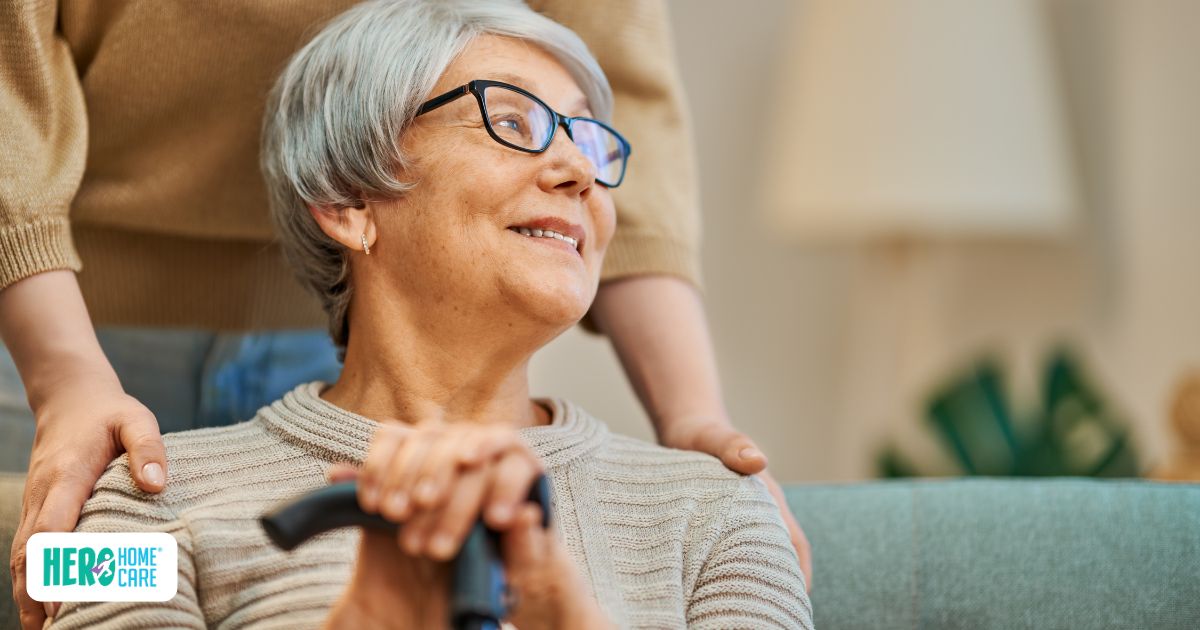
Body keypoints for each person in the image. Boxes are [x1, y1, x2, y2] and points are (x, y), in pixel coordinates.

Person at [1, 0, 811, 626]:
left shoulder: (719, 511)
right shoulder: (127, 510)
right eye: (514, 121)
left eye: (592, 142)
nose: (577, 171)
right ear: (351, 201)